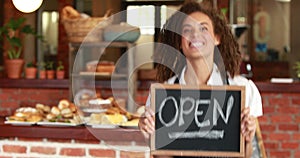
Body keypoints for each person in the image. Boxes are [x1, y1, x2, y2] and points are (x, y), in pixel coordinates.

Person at [138, 1, 262, 158]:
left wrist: (247, 139)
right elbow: (163, 156)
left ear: (217, 38)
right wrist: (151, 138)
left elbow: (249, 155)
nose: (195, 35)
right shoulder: (162, 94)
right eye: (187, 30)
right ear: (180, 43)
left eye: (203, 28)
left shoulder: (243, 89)